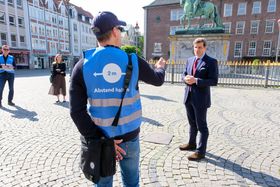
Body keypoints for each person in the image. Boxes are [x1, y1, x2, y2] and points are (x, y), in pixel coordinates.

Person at [70, 11, 166, 186]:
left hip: (100, 140)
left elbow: (77, 112)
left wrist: (101, 139)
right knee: (131, 182)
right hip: (129, 138)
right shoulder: (133, 60)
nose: (121, 33)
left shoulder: (82, 65)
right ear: (114, 31)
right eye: (120, 29)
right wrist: (160, 67)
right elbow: (157, 80)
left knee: (103, 183)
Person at [179, 38, 218, 161]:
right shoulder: (190, 60)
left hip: (201, 99)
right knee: (192, 123)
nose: (197, 50)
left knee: (202, 126)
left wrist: (196, 80)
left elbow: (214, 81)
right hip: (189, 96)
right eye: (195, 47)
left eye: (200, 47)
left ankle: (200, 152)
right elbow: (183, 74)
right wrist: (185, 79)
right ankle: (191, 143)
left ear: (205, 48)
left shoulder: (211, 62)